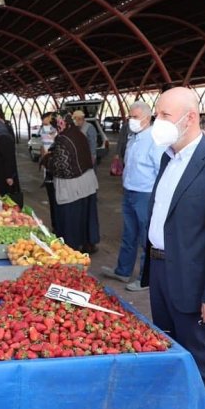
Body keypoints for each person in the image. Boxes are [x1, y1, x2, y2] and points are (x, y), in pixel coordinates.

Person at [143, 87, 205, 395]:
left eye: (164, 115)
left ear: (191, 119)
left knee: (195, 357)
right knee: (167, 347)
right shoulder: (167, 158)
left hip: (192, 280)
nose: (156, 121)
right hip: (160, 271)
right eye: (156, 114)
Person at [103, 101, 164, 292]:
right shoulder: (134, 137)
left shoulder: (155, 139)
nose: (131, 120)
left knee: (146, 237)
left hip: (145, 194)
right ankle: (123, 270)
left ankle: (145, 279)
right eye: (130, 117)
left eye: (135, 117)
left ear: (147, 118)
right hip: (129, 191)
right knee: (129, 234)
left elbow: (160, 170)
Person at [42, 114, 100, 251]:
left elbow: (61, 166)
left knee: (71, 217)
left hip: (72, 186)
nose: (52, 130)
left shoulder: (63, 139)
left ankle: (71, 247)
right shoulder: (77, 133)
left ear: (60, 125)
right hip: (88, 182)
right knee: (86, 215)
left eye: (53, 126)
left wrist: (47, 159)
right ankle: (88, 243)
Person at [38, 112, 58, 231]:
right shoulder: (42, 129)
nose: (44, 120)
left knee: (54, 196)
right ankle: (55, 225)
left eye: (46, 118)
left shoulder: (55, 130)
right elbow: (42, 144)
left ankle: (56, 224)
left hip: (53, 162)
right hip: (48, 162)